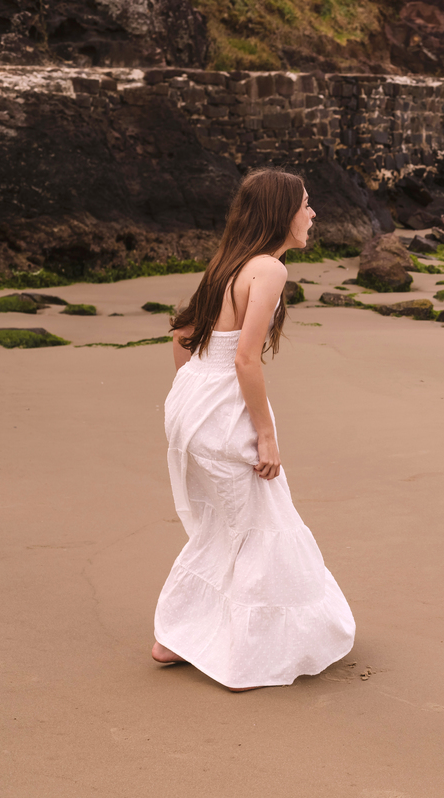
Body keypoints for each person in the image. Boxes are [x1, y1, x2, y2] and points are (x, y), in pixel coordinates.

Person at [151, 168, 356, 688]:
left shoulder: (231, 261)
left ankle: (174, 635)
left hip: (194, 405)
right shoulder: (268, 269)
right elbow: (245, 359)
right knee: (262, 523)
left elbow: (183, 334)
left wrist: (192, 395)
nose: (313, 213)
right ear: (281, 212)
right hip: (222, 406)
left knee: (228, 522)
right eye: (306, 204)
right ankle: (239, 650)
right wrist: (264, 434)